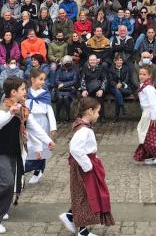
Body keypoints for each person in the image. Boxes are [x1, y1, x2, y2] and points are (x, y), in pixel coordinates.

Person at [0, 77, 55, 235]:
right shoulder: (3, 109)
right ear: (13, 92)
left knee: (10, 186)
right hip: (1, 153)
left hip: (16, 152)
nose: (25, 92)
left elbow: (34, 127)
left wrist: (47, 141)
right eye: (23, 90)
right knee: (6, 182)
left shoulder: (23, 109)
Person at [58, 97, 115, 236]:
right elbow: (75, 148)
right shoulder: (84, 130)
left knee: (84, 194)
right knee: (86, 194)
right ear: (90, 111)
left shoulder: (83, 127)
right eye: (97, 112)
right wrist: (88, 165)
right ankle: (82, 232)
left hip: (87, 163)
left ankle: (70, 216)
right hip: (84, 167)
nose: (99, 115)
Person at [132, 66, 156, 165]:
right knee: (146, 134)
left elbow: (153, 103)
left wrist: (154, 117)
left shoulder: (149, 88)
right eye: (140, 74)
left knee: (148, 135)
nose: (141, 76)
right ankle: (153, 156)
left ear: (149, 75)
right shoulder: (143, 86)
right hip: (147, 112)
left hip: (150, 113)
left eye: (144, 74)